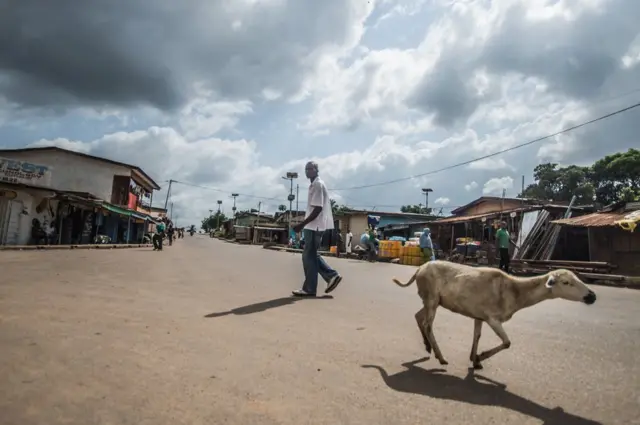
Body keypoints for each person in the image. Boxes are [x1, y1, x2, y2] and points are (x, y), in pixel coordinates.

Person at [292, 161, 342, 297]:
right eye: (306, 169)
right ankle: (331, 276)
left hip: (315, 225)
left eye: (310, 169)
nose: (308, 171)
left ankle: (311, 288)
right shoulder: (314, 185)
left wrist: (302, 224)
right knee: (311, 255)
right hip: (313, 225)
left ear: (316, 170)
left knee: (309, 255)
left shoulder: (318, 185)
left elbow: (318, 208)